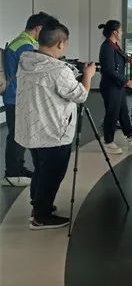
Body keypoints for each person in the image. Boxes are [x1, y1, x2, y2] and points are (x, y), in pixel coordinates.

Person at [15, 19, 96, 229]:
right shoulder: (59, 70)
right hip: (53, 133)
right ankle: (41, 217)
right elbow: (80, 95)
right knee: (52, 174)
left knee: (41, 170)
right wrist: (88, 75)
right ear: (60, 43)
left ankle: (38, 206)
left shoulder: (26, 60)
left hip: (32, 129)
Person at [2, 11, 54, 187]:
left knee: (19, 134)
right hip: (17, 98)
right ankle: (12, 174)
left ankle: (18, 168)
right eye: (46, 31)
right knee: (17, 136)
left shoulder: (21, 41)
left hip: (15, 96)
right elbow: (35, 72)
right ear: (38, 28)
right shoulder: (25, 46)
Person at [98, 20, 132, 155]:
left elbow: (119, 57)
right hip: (111, 86)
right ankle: (108, 142)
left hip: (117, 86)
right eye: (121, 31)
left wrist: (127, 59)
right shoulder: (107, 47)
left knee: (123, 111)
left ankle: (130, 136)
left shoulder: (114, 45)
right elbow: (109, 70)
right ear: (115, 32)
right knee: (112, 113)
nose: (122, 33)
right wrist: (126, 81)